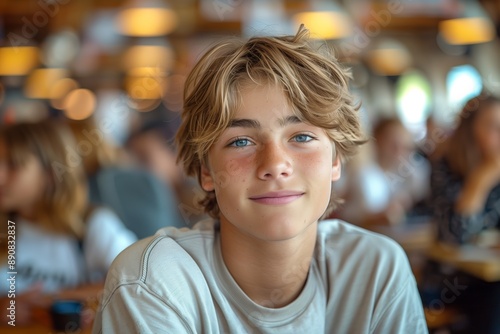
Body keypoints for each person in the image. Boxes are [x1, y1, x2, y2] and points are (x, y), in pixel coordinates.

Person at [93, 26, 427, 333]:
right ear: (206, 171)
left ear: (336, 159)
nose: (275, 165)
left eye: (301, 137)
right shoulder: (153, 283)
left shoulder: (377, 270)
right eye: (241, 141)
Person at [0, 119, 136, 326]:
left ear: (51, 174)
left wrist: (52, 299)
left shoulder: (93, 225)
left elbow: (137, 283)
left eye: (13, 165)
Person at [428, 93, 500, 333]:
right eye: (493, 126)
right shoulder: (445, 166)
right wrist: (482, 178)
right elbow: (454, 236)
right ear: (469, 130)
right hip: (452, 281)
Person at [333, 117, 430, 226]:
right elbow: (340, 215)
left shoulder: (406, 172)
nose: (398, 150)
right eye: (392, 143)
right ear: (377, 139)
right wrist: (377, 218)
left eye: (402, 145)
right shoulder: (360, 172)